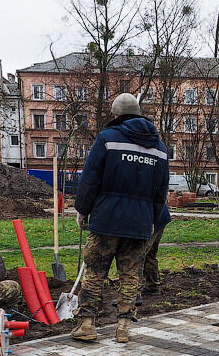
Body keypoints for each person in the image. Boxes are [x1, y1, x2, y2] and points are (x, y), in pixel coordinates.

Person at [72, 93, 169, 343]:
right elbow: (161, 190)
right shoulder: (159, 148)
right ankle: (124, 328)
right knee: (130, 274)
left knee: (95, 271)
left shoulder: (107, 138)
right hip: (139, 223)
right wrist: (153, 218)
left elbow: (90, 177)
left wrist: (82, 209)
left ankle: (87, 324)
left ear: (116, 115)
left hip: (106, 219)